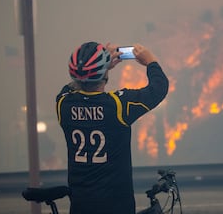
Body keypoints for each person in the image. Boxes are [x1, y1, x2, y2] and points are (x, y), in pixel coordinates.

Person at [55, 41, 169, 214]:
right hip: (116, 206)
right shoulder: (117, 106)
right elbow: (159, 88)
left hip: (80, 205)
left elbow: (69, 88)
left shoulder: (63, 105)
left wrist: (98, 68)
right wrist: (151, 61)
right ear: (103, 74)